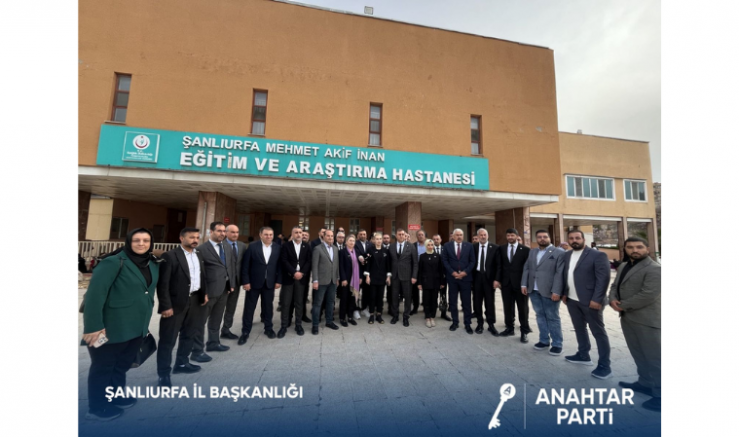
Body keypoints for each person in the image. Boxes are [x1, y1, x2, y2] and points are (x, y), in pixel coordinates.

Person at [82, 228, 161, 421]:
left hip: (136, 326)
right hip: (109, 326)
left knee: (121, 365)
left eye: (145, 240)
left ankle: (115, 395)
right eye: (136, 240)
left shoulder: (151, 263)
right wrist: (93, 327)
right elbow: (94, 296)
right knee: (103, 367)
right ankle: (97, 407)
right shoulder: (112, 262)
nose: (141, 244)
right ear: (128, 242)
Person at [609, 237, 661, 412]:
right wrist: (612, 299)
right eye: (630, 247)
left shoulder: (655, 269)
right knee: (638, 353)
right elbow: (615, 286)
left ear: (647, 248)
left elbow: (649, 294)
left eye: (639, 247)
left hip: (647, 320)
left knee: (655, 359)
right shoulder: (624, 265)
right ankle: (645, 383)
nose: (635, 250)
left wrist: (622, 305)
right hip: (629, 318)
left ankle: (660, 394)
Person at [156, 227, 208, 388]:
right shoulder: (170, 256)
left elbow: (201, 276)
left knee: (189, 335)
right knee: (168, 340)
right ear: (181, 238)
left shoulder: (198, 254)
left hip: (195, 301)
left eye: (197, 237)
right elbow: (163, 284)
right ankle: (163, 374)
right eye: (191, 237)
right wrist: (165, 306)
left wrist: (204, 293)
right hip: (175, 304)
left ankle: (182, 363)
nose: (195, 240)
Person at [561, 230, 612, 380]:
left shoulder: (598, 255)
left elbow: (603, 279)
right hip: (572, 300)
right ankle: (583, 355)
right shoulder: (567, 255)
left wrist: (597, 299)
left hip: (591, 301)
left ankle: (605, 366)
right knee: (579, 328)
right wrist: (565, 293)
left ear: (584, 239)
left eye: (577, 238)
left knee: (598, 332)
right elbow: (566, 275)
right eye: (571, 238)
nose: (574, 240)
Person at [191, 222, 236, 362]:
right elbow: (197, 272)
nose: (222, 233)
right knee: (199, 322)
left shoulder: (227, 247)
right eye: (219, 231)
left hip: (224, 290)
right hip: (208, 292)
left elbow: (230, 266)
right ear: (211, 232)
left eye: (224, 231)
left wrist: (231, 284)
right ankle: (196, 351)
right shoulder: (201, 249)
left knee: (216, 319)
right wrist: (202, 292)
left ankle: (213, 343)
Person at [521, 230, 566, 355]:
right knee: (540, 315)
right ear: (536, 239)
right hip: (533, 290)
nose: (542, 239)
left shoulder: (559, 252)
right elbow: (527, 268)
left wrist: (556, 291)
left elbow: (559, 273)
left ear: (549, 238)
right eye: (539, 237)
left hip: (549, 291)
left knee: (552, 317)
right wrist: (524, 284)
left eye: (545, 237)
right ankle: (544, 340)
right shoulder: (532, 252)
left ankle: (557, 344)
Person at [239, 227, 282, 345]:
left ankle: (268, 328)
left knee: (268, 307)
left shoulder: (277, 247)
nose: (269, 236)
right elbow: (246, 265)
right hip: (253, 283)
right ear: (261, 235)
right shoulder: (253, 246)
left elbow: (279, 266)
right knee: (249, 308)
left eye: (271, 234)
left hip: (269, 283)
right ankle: (245, 331)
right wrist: (246, 282)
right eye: (266, 234)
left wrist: (278, 280)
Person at [494, 228, 531, 342]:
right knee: (508, 307)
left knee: (522, 308)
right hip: (506, 284)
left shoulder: (525, 250)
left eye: (512, 235)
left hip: (521, 285)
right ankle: (509, 328)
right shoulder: (501, 248)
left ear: (517, 236)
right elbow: (499, 265)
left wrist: (526, 283)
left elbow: (528, 268)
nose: (510, 237)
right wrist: (497, 279)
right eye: (508, 235)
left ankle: (524, 331)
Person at [278, 226, 311, 337]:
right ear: (292, 234)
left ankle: (298, 325)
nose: (298, 234)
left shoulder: (306, 246)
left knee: (299, 303)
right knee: (286, 303)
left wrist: (301, 273)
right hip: (289, 278)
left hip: (301, 279)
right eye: (296, 232)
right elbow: (284, 261)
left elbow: (308, 261)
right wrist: (293, 272)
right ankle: (283, 326)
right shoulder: (286, 246)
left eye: (300, 232)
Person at [442, 228, 476, 334]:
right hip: (452, 278)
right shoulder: (447, 246)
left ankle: (467, 323)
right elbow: (444, 260)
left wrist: (465, 272)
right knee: (453, 301)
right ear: (453, 236)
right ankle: (455, 322)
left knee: (466, 302)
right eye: (457, 235)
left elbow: (472, 261)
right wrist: (453, 272)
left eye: (461, 235)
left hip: (466, 278)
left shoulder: (469, 246)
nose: (459, 236)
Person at [311, 229, 341, 334]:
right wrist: (315, 280)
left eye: (332, 236)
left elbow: (336, 265)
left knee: (330, 302)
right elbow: (314, 266)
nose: (330, 238)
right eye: (328, 236)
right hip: (321, 281)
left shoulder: (335, 249)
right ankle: (315, 325)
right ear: (323, 236)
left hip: (333, 281)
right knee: (317, 303)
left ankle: (329, 322)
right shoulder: (317, 249)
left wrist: (337, 278)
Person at [221, 224, 248, 340]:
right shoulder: (221, 245)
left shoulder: (242, 245)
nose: (235, 234)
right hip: (223, 283)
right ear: (226, 233)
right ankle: (213, 333)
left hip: (236, 282)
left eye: (237, 232)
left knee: (231, 307)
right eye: (232, 232)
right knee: (218, 309)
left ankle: (226, 329)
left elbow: (244, 264)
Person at [389, 228, 419, 326]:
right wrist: (389, 275)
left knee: (407, 297)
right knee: (394, 296)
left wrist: (414, 276)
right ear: (396, 235)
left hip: (407, 276)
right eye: (399, 234)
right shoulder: (391, 246)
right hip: (395, 276)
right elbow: (389, 262)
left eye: (403, 234)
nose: (401, 236)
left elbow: (415, 263)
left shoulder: (411, 246)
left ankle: (406, 316)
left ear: (405, 235)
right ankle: (395, 315)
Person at [472, 228, 499, 335]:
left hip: (489, 279)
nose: (483, 237)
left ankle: (491, 324)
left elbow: (498, 265)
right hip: (477, 277)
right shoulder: (473, 247)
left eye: (484, 235)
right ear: (478, 236)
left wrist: (497, 279)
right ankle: (480, 323)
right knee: (477, 302)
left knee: (490, 302)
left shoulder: (495, 248)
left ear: (488, 236)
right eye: (481, 235)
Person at [363, 232, 391, 324]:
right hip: (372, 277)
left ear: (382, 240)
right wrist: (367, 276)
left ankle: (379, 314)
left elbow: (388, 265)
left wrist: (388, 276)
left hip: (382, 278)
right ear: (374, 240)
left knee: (380, 297)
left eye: (380, 239)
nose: (378, 241)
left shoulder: (386, 251)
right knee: (372, 297)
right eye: (377, 239)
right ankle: (371, 315)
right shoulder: (370, 250)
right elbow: (367, 264)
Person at [418, 239, 445, 328]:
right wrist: (419, 283)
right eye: (428, 245)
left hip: (435, 282)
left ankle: (432, 317)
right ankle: (427, 317)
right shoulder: (422, 256)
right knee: (426, 300)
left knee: (434, 300)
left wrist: (442, 282)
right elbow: (420, 271)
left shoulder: (438, 256)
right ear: (426, 246)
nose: (430, 246)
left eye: (431, 245)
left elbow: (441, 270)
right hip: (426, 282)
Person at [338, 235, 364, 326]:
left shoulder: (357, 251)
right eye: (350, 240)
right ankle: (342, 318)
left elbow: (360, 266)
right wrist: (343, 278)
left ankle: (350, 317)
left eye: (353, 241)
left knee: (352, 299)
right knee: (344, 299)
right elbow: (341, 266)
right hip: (346, 279)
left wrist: (360, 277)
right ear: (346, 242)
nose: (352, 242)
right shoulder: (342, 252)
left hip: (355, 279)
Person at [432, 234, 452, 321]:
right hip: (433, 277)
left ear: (441, 240)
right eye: (434, 239)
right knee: (433, 295)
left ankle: (443, 313)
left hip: (443, 276)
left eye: (437, 239)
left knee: (443, 295)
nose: (436, 241)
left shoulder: (445, 249)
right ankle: (432, 313)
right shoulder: (430, 249)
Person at [410, 230, 427, 315]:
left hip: (426, 270)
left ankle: (426, 307)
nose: (420, 236)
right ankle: (415, 307)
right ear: (417, 236)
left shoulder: (428, 245)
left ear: (425, 236)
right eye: (419, 235)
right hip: (415, 270)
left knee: (426, 289)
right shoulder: (412, 246)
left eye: (422, 235)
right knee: (415, 290)